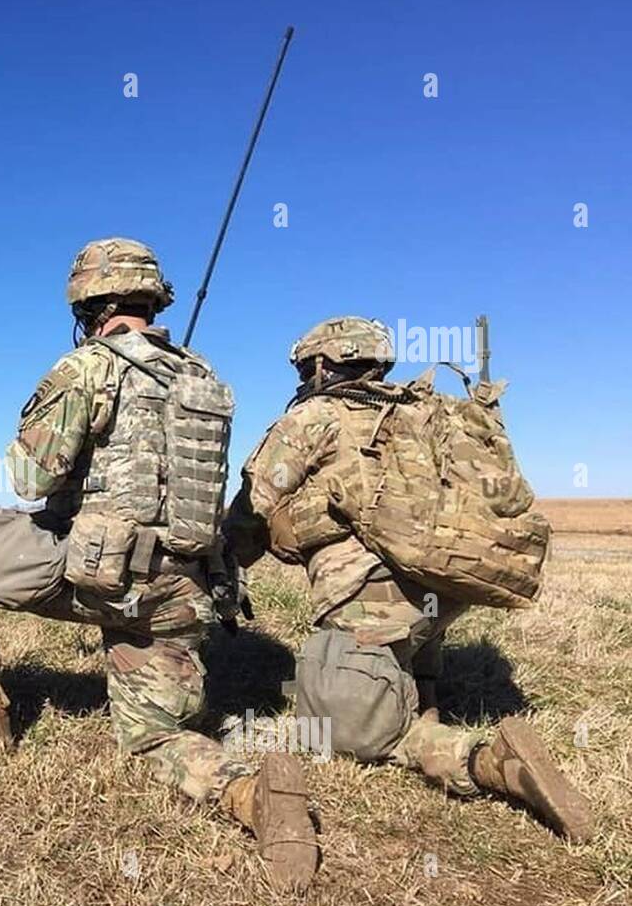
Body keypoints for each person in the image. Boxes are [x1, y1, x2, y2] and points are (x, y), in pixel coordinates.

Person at [0, 239, 320, 891]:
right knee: (155, 736)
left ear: (89, 306)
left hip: (99, 576)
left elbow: (29, 475)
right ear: (153, 301)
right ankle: (251, 795)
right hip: (181, 589)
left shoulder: (87, 367)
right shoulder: (206, 379)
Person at [223, 315, 592, 841]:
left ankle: (483, 759)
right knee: (412, 624)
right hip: (445, 587)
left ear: (323, 364)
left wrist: (221, 565)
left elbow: (252, 511)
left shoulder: (314, 418)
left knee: (335, 730)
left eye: (306, 367)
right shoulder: (427, 411)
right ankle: (424, 698)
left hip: (371, 601)